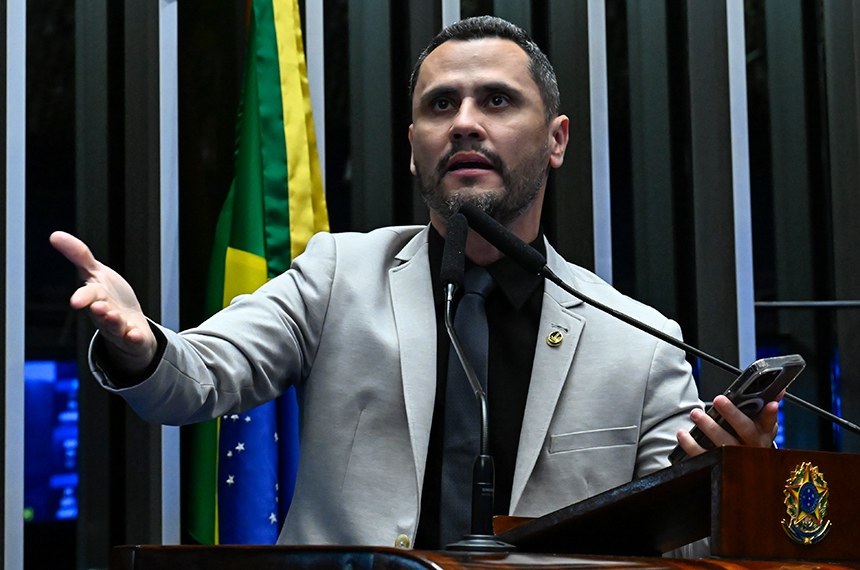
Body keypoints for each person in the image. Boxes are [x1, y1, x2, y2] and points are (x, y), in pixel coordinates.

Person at [51, 16, 780, 550]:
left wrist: (719, 482)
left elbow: (682, 550)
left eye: (496, 101)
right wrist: (142, 345)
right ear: (411, 150)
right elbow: (198, 378)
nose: (464, 123)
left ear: (556, 139)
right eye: (440, 106)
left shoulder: (638, 342)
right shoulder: (338, 275)